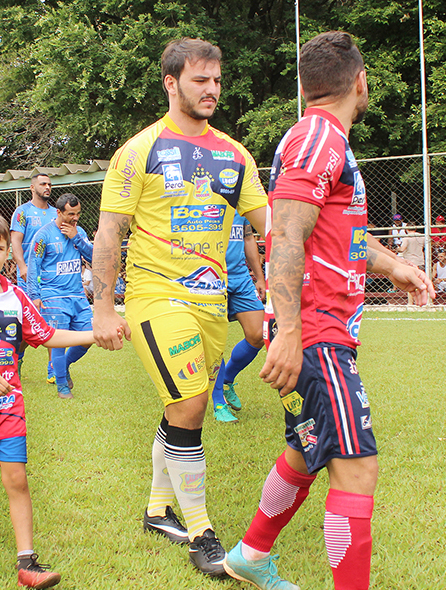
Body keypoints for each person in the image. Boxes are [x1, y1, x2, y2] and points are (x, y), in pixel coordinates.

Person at [223, 32, 434, 590]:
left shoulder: (322, 138)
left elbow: (336, 234)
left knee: (307, 445)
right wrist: (289, 331)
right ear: (359, 81)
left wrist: (394, 267)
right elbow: (287, 236)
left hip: (312, 328)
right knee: (357, 466)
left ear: (303, 85)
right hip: (315, 331)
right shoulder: (319, 136)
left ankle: (249, 553)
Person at [92, 37, 268, 578]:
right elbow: (109, 229)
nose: (212, 89)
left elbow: (271, 228)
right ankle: (202, 535)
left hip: (211, 304)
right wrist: (103, 305)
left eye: (217, 80)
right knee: (192, 403)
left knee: (180, 408)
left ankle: (156, 510)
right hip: (154, 296)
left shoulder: (236, 154)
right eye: (200, 80)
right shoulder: (138, 151)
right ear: (171, 83)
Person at [0, 211, 94, 589]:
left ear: (8, 251)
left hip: (9, 406)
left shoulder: (16, 296)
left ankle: (28, 562)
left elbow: (47, 334)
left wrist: (94, 334)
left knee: (17, 479)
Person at [26, 193, 94, 399]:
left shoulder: (79, 232)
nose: (75, 218)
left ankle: (62, 366)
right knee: (58, 341)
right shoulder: (43, 235)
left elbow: (93, 257)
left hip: (77, 296)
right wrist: (34, 295)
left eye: (78, 214)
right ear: (59, 212)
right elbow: (33, 266)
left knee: (89, 336)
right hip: (53, 296)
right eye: (70, 214)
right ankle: (62, 386)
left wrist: (76, 238)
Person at [211, 212, 266, 423]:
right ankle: (218, 403)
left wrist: (259, 277)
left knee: (258, 334)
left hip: (241, 277)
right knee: (215, 342)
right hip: (210, 276)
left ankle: (227, 378)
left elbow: (248, 238)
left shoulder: (242, 202)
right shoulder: (205, 193)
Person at [10, 173, 57, 376]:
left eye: (49, 184)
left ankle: (54, 370)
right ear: (32, 187)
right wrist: (22, 266)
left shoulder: (57, 213)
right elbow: (16, 242)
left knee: (55, 323)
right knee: (25, 326)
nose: (47, 187)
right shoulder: (23, 212)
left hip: (52, 278)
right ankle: (17, 362)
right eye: (43, 184)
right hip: (30, 279)